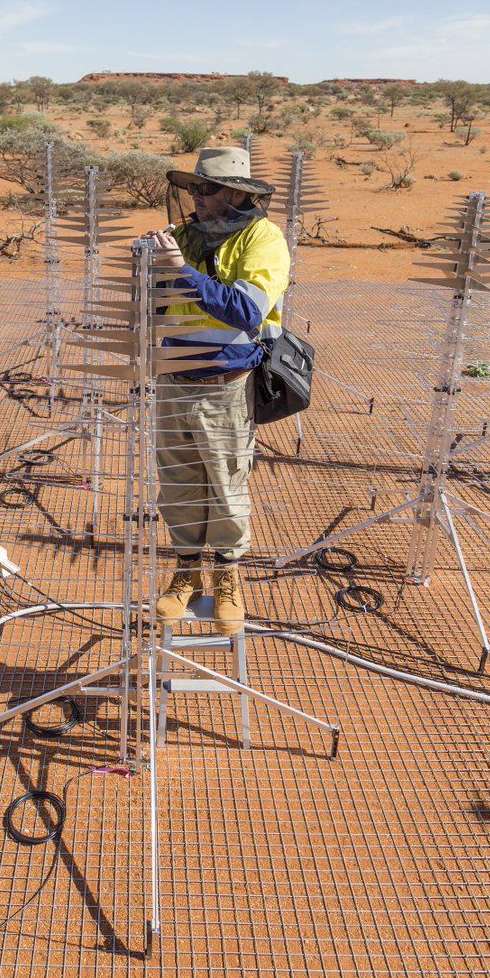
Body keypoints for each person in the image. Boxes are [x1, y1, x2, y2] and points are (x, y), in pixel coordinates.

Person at [149, 146, 290, 634]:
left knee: (227, 485)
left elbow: (245, 311)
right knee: (179, 484)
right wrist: (147, 264)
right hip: (172, 381)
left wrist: (181, 271)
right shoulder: (186, 235)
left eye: (206, 189)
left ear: (235, 193)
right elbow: (154, 305)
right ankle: (186, 572)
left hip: (225, 387)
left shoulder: (262, 238)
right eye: (192, 188)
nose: (196, 197)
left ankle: (228, 578)